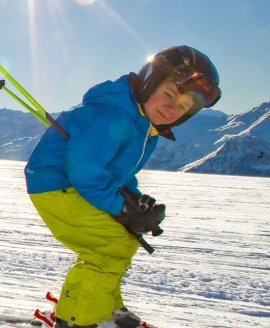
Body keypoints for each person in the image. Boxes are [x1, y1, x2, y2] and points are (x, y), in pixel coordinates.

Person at [24, 46, 222, 328]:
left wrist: (134, 201)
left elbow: (119, 172)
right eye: (168, 94)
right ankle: (79, 319)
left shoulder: (143, 126)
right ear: (149, 82)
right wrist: (121, 208)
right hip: (58, 184)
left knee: (123, 240)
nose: (170, 107)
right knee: (108, 247)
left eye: (181, 107)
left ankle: (104, 307)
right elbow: (87, 173)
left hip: (76, 185)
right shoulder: (112, 116)